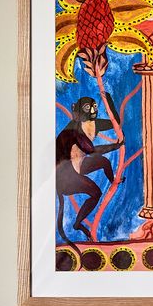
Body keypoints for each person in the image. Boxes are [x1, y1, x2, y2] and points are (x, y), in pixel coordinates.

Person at [55, 97, 118, 236]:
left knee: (105, 162)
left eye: (94, 107)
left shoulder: (96, 123)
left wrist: (109, 102)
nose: (92, 111)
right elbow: (91, 150)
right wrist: (116, 146)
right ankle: (77, 224)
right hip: (65, 175)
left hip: (79, 163)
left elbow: (116, 123)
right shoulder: (73, 129)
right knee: (96, 193)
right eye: (87, 108)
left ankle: (114, 181)